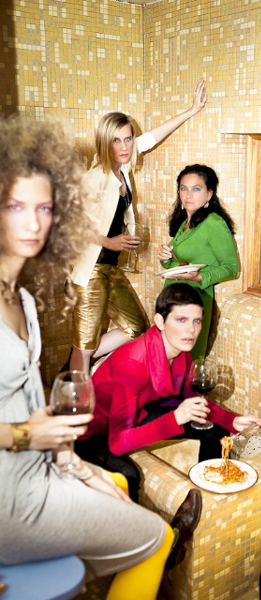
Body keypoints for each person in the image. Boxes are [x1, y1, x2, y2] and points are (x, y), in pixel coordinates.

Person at [0, 115, 202, 600]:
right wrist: (26, 434)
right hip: (11, 498)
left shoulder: (21, 300)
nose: (34, 222)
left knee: (118, 484)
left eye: (45, 207)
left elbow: (29, 410)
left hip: (38, 469)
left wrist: (76, 465)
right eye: (15, 206)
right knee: (156, 538)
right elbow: (26, 428)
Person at [75, 283, 261, 499]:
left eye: (197, 321)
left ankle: (210, 496)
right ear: (160, 321)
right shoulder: (133, 364)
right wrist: (175, 418)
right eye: (181, 320)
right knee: (129, 476)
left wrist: (232, 420)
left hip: (137, 413)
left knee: (216, 430)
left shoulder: (181, 352)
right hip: (90, 433)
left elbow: (193, 398)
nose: (191, 330)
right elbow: (118, 443)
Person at [69, 80, 207, 374]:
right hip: (90, 269)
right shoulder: (95, 177)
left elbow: (151, 138)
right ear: (104, 142)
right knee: (84, 344)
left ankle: (83, 363)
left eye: (128, 139)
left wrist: (191, 110)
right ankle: (78, 385)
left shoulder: (123, 168)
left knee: (135, 327)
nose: (124, 146)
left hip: (110, 268)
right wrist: (109, 242)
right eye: (116, 140)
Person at [158, 164, 238, 359]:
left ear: (209, 194)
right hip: (172, 298)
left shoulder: (213, 223)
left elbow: (231, 268)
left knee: (186, 362)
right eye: (183, 188)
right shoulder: (185, 223)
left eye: (196, 189)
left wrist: (200, 277)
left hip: (193, 301)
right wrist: (166, 259)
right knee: (166, 361)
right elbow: (182, 262)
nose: (188, 195)